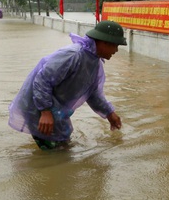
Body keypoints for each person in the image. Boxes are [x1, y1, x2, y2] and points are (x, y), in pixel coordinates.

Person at [8, 20, 126, 150]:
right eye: (115, 45)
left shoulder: (94, 62)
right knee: (56, 153)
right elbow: (42, 80)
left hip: (54, 110)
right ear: (104, 42)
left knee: (63, 145)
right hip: (37, 106)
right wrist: (45, 112)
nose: (116, 50)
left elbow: (92, 93)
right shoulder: (73, 55)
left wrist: (109, 113)